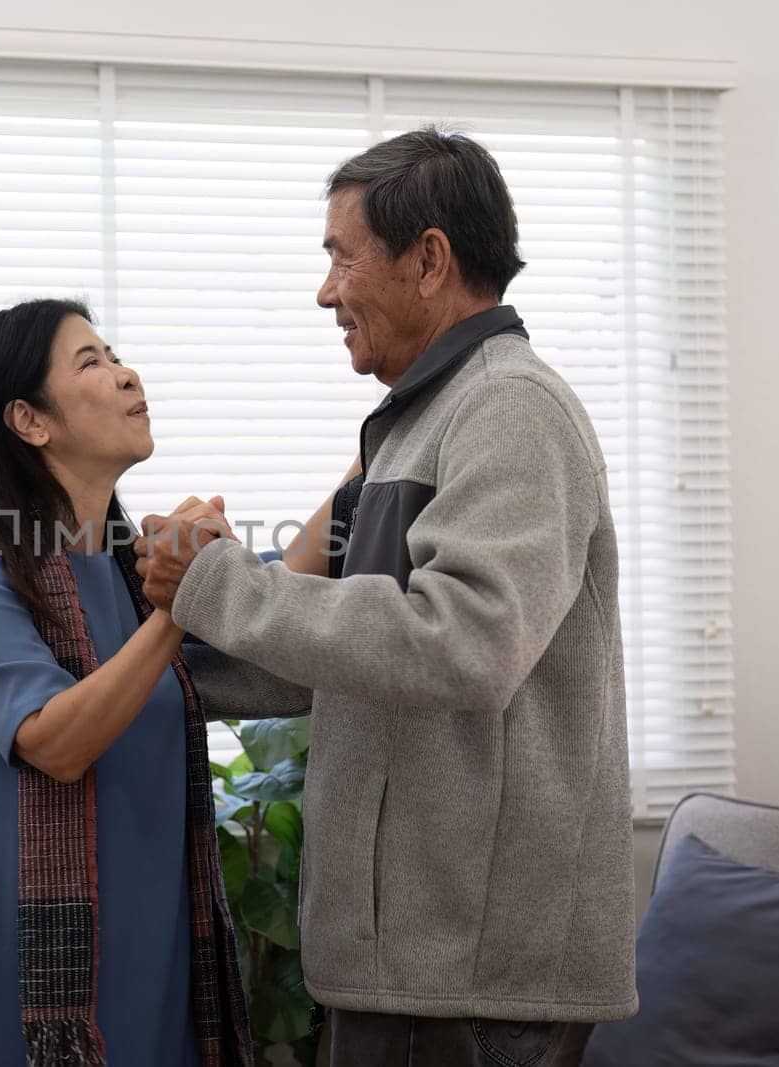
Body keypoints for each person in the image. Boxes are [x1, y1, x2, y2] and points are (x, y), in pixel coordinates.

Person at [135, 128, 638, 1067]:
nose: (326, 292)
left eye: (340, 257)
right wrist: (154, 664)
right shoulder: (415, 426)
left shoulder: (510, 409)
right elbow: (345, 648)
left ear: (431, 259)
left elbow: (465, 643)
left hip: (473, 979)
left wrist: (213, 581)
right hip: (417, 968)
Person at [0, 299, 251, 1067]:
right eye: (91, 362)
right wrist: (178, 602)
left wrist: (371, 462)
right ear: (29, 420)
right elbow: (56, 740)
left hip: (153, 964)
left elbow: (274, 610)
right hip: (28, 980)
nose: (127, 374)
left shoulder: (130, 577)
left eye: (115, 354)